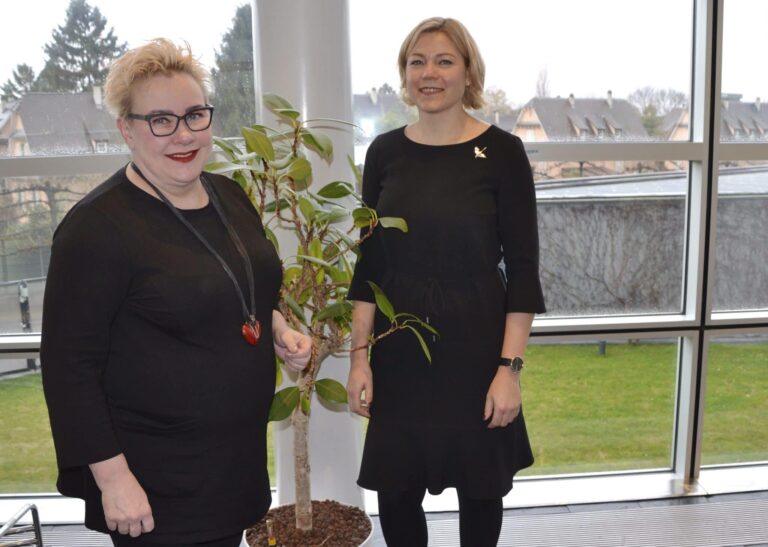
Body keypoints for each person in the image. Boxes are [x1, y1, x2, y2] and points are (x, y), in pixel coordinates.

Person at [40, 39, 311, 547]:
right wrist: (113, 481)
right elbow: (68, 369)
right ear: (127, 129)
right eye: (160, 120)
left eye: (194, 115)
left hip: (232, 467)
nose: (183, 134)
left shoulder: (229, 195)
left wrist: (277, 328)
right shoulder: (95, 228)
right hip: (154, 484)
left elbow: (240, 286)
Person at [346, 17, 546, 547]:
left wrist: (509, 370)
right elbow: (369, 265)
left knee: (480, 490)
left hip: (476, 347)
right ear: (404, 74)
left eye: (443, 61)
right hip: (398, 346)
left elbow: (523, 270)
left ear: (468, 72)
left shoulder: (503, 152)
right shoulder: (383, 152)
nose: (428, 73)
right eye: (417, 62)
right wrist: (360, 358)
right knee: (396, 491)